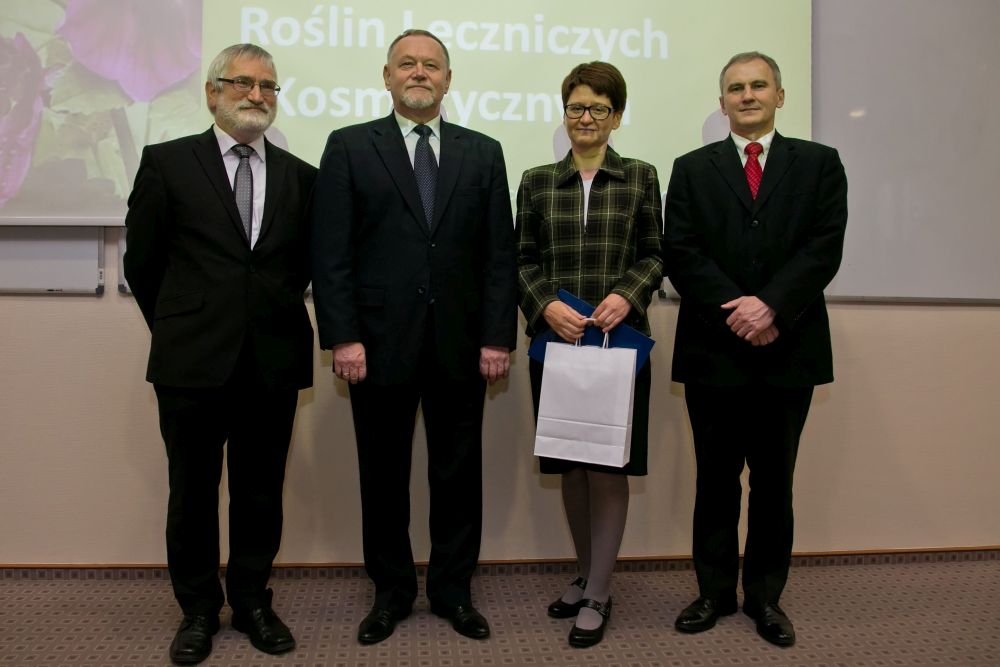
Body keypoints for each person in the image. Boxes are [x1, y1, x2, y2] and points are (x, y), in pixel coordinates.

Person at [309, 29, 517, 644]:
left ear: (448, 80)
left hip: (462, 343)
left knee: (459, 475)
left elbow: (498, 255)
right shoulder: (349, 146)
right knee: (383, 475)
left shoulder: (484, 152)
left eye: (431, 65)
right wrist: (343, 336)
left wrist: (497, 337)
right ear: (387, 76)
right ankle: (391, 593)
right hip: (375, 345)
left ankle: (454, 591)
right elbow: (331, 251)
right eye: (407, 64)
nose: (419, 73)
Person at [123, 44, 316, 665]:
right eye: (242, 82)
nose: (256, 95)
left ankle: (254, 603)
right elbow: (142, 263)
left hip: (272, 359)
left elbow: (300, 268)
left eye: (268, 86)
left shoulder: (302, 176)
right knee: (193, 494)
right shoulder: (166, 163)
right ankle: (198, 611)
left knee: (261, 492)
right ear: (212, 92)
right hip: (190, 362)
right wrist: (180, 325)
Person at [663, 51, 848, 647]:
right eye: (736, 88)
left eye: (758, 85)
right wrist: (740, 310)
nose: (747, 95)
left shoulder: (820, 163)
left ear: (779, 96)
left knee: (774, 483)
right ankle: (714, 593)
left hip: (788, 349)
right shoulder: (691, 169)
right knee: (715, 481)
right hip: (714, 350)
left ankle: (766, 598)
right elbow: (681, 250)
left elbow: (824, 247)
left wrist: (770, 306)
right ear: (722, 103)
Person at [516, 61, 663, 648]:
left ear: (616, 117)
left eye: (599, 108)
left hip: (616, 349)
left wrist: (626, 296)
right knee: (571, 467)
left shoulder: (641, 177)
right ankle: (584, 574)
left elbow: (655, 253)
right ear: (564, 113)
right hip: (558, 346)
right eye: (576, 106)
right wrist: (545, 305)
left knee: (607, 469)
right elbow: (521, 260)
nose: (586, 117)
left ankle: (600, 591)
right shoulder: (535, 182)